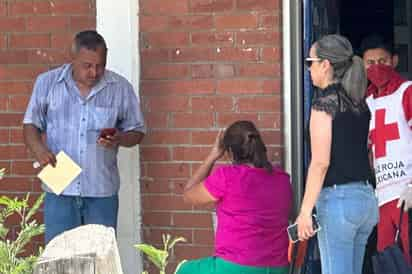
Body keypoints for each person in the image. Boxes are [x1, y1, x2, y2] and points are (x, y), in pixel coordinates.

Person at [23, 30, 145, 243]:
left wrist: (120, 139)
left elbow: (137, 131)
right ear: (73, 58)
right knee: (59, 258)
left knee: (100, 260)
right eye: (87, 65)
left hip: (101, 192)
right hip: (59, 189)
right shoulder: (47, 84)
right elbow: (30, 125)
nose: (94, 72)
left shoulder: (120, 88)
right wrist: (39, 150)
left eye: (100, 65)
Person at [295, 34, 379, 274]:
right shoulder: (359, 104)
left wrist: (304, 212)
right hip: (365, 199)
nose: (308, 68)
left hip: (338, 201)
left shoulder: (324, 103)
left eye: (310, 61)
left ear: (325, 64)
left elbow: (320, 163)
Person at [177, 121, 293, 274]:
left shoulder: (227, 177)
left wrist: (213, 156)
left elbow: (188, 195)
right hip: (279, 268)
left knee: (184, 269)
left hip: (235, 267)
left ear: (230, 152)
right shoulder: (282, 179)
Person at [360, 34, 412, 263]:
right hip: (382, 196)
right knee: (386, 262)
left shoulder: (407, 91)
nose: (376, 67)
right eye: (370, 63)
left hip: (406, 193)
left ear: (394, 60)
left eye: (382, 61)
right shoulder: (367, 100)